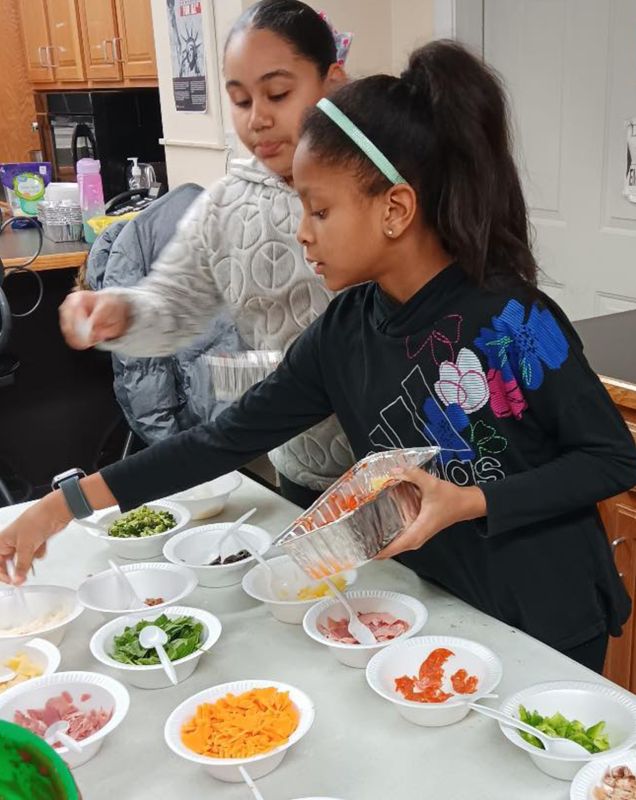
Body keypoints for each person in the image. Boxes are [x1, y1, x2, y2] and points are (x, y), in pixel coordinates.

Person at [3, 41, 636, 672]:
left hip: (551, 619)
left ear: (395, 209)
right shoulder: (345, 331)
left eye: (320, 209)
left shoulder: (513, 320)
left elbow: (612, 457)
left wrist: (470, 502)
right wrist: (61, 506)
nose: (303, 231)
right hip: (444, 612)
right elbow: (219, 442)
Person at [58, 0, 354, 508]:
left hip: (405, 458)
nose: (258, 119)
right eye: (240, 101)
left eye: (278, 94)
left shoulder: (382, 187)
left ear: (333, 81)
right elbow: (174, 305)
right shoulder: (228, 205)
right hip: (300, 465)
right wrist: (122, 312)